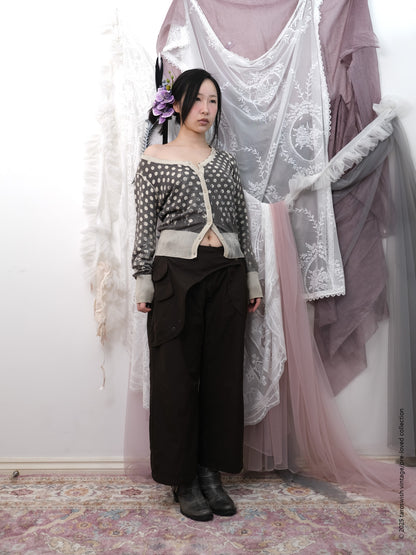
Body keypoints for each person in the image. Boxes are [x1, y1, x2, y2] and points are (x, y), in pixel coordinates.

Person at [132, 68, 262, 521]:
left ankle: (211, 473)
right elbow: (145, 225)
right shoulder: (155, 157)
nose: (206, 109)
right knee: (175, 378)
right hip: (176, 276)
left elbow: (240, 224)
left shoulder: (224, 162)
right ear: (177, 104)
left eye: (213, 101)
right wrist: (144, 281)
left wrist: (251, 279)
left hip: (226, 273)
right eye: (198, 100)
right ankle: (182, 479)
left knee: (222, 378)